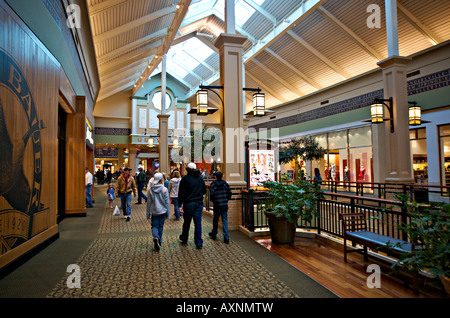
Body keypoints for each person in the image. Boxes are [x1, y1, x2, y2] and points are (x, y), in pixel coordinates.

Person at [178, 162, 206, 249]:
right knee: (198, 223)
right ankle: (198, 242)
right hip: (198, 203)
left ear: (187, 170)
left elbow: (181, 193)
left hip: (188, 204)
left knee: (187, 222)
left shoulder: (185, 179)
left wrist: (180, 204)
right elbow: (204, 190)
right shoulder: (200, 179)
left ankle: (184, 238)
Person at [147, 173, 170, 251]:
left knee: (154, 226)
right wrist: (168, 213)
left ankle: (155, 236)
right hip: (163, 211)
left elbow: (149, 202)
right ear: (161, 179)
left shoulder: (151, 190)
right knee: (161, 226)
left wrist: (148, 213)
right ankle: (159, 240)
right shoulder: (164, 189)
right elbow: (167, 202)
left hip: (154, 211)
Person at [208, 171, 232, 244]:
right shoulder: (225, 184)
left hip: (217, 205)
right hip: (224, 204)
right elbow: (230, 193)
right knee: (224, 220)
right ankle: (226, 237)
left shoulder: (213, 184)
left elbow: (211, 195)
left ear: (215, 176)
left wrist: (214, 201)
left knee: (215, 220)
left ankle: (214, 234)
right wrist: (226, 199)